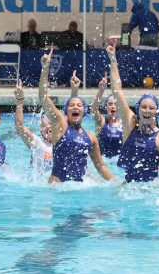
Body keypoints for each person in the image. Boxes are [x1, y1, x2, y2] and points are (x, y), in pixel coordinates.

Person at [38, 49, 114, 183]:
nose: (75, 107)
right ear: (66, 111)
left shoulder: (91, 137)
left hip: (79, 190)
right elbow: (43, 98)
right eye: (72, 106)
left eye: (79, 106)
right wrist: (45, 69)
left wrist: (116, 182)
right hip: (58, 187)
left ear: (84, 112)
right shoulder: (60, 125)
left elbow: (101, 166)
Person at [106, 45, 159, 182]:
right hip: (128, 188)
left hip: (149, 191)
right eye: (144, 107)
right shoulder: (131, 125)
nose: (147, 111)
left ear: (156, 111)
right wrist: (113, 60)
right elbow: (117, 91)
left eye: (151, 108)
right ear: (138, 109)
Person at [13, 80, 53, 175]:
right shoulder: (38, 143)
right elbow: (20, 127)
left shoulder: (63, 143)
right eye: (44, 125)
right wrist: (20, 101)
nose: (48, 127)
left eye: (51, 124)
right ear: (40, 129)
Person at [89, 73, 123, 158]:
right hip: (102, 163)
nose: (113, 106)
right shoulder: (101, 121)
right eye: (110, 104)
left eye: (116, 104)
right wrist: (101, 90)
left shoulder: (124, 124)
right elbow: (93, 111)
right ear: (106, 107)